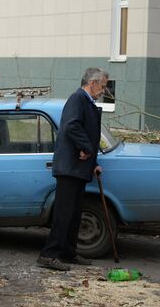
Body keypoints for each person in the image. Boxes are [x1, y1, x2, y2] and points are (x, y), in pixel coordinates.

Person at [37, 67, 109, 271]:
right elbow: (71, 126)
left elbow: (86, 131)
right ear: (92, 83)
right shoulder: (77, 99)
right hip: (69, 168)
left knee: (74, 214)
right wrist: (85, 147)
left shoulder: (86, 102)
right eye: (102, 86)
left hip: (78, 168)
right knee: (63, 214)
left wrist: (93, 162)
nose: (103, 90)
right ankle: (48, 255)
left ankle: (68, 252)